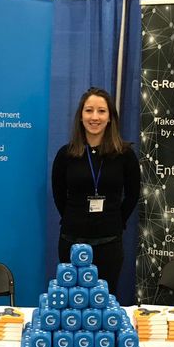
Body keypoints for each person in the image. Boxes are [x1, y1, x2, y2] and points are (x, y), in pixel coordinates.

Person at [52, 87, 140, 295]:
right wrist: (75, 217)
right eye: (89, 110)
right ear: (80, 116)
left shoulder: (125, 155)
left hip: (109, 243)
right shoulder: (66, 154)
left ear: (110, 118)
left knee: (104, 305)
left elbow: (132, 195)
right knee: (72, 303)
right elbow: (58, 195)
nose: (94, 117)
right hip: (71, 242)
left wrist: (116, 219)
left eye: (101, 111)